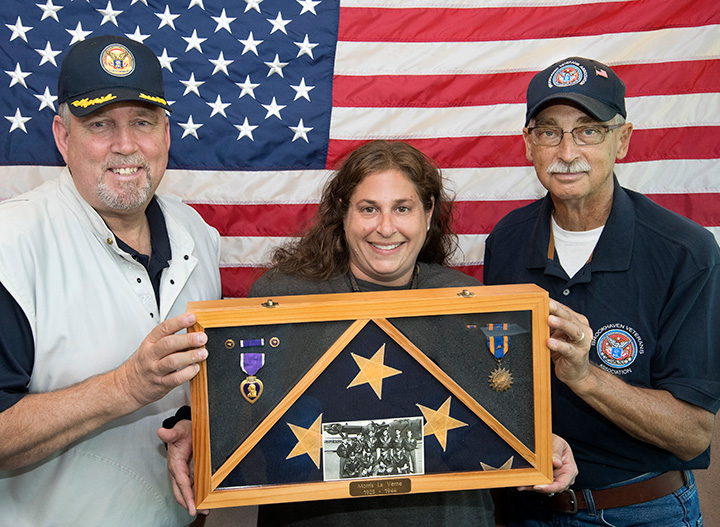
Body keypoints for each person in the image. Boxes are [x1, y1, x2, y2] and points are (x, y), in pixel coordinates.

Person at [160, 140, 578, 526]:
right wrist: (196, 427)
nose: (385, 227)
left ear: (428, 213)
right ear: (343, 213)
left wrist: (542, 444)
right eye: (368, 209)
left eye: (402, 208)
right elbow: (243, 402)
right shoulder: (282, 296)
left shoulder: (470, 304)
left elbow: (497, 414)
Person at [483, 56, 720, 525]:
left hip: (643, 509)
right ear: (529, 144)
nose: (567, 151)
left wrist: (585, 376)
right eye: (550, 131)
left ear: (623, 140)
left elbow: (694, 433)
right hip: (526, 508)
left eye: (589, 130)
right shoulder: (505, 242)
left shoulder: (686, 252)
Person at [0, 35, 221, 526]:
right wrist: (126, 386)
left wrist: (195, 428)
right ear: (62, 136)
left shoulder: (199, 237)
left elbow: (203, 393)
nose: (126, 145)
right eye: (100, 124)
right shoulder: (11, 246)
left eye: (142, 122)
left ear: (165, 133)